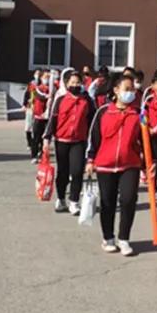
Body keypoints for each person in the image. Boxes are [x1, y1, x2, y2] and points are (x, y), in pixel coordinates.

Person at [87, 73, 143, 256]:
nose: (131, 93)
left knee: (128, 200)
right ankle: (108, 237)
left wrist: (150, 162)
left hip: (130, 163)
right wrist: (90, 159)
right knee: (107, 202)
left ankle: (124, 238)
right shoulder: (103, 112)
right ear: (116, 91)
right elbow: (94, 137)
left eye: (133, 90)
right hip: (105, 164)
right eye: (127, 89)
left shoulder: (137, 114)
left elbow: (145, 141)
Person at [44, 69, 96, 215]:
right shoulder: (60, 100)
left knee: (77, 171)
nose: (75, 85)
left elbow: (93, 122)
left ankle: (74, 202)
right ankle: (61, 199)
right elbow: (52, 119)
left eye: (78, 82)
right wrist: (47, 138)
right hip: (62, 140)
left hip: (79, 141)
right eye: (72, 82)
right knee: (63, 173)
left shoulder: (87, 101)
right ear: (66, 84)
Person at [29, 71, 52, 161]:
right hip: (39, 115)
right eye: (45, 77)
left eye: (48, 77)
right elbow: (39, 95)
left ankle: (43, 155)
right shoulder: (38, 87)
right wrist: (47, 96)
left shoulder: (52, 88)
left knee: (45, 138)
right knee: (36, 136)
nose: (47, 79)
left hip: (47, 117)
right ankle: (34, 155)